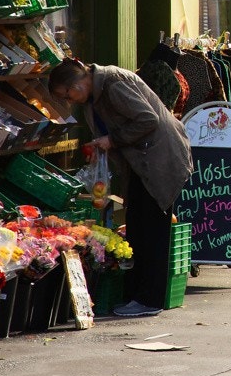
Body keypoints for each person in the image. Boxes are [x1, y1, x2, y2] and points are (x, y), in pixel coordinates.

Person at [50, 58, 194, 317]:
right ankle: (138, 296)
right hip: (142, 162)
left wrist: (112, 140)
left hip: (159, 159)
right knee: (138, 226)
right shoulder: (94, 97)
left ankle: (149, 300)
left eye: (67, 93)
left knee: (151, 229)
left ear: (80, 81)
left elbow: (147, 119)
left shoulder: (113, 85)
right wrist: (102, 148)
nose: (69, 99)